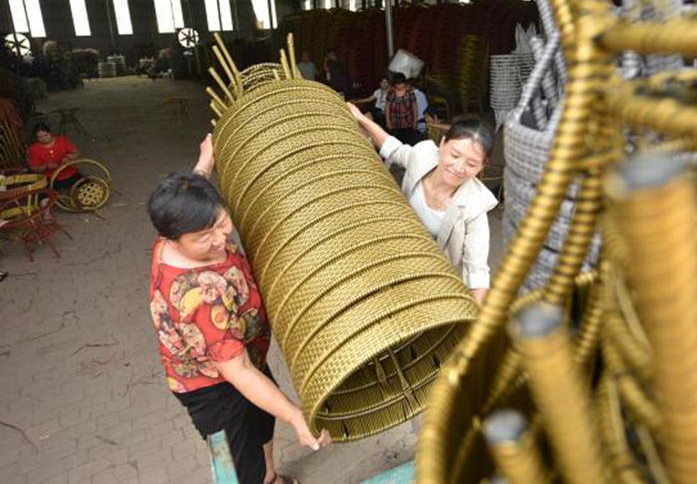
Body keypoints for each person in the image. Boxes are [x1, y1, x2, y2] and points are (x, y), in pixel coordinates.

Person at [147, 135, 330, 484]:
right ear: (173, 237)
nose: (220, 239)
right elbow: (240, 372)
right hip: (214, 384)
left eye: (221, 223)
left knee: (261, 420)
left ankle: (270, 477)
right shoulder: (201, 297)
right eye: (204, 236)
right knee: (242, 460)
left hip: (245, 353)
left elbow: (193, 192)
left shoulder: (181, 222)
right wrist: (295, 415)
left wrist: (206, 160)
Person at [347, 105, 497, 304]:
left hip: (433, 280)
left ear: (482, 166)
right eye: (454, 155)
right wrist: (361, 119)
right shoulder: (423, 156)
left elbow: (477, 271)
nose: (459, 168)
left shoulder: (475, 207)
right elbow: (394, 148)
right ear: (442, 143)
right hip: (395, 255)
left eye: (471, 164)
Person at [27, 123, 81, 189]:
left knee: (85, 185)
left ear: (50, 133)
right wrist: (46, 167)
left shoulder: (61, 140)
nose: (44, 138)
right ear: (36, 138)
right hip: (51, 177)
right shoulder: (34, 149)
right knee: (51, 192)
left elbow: (76, 152)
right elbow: (34, 169)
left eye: (46, 135)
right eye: (40, 137)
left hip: (70, 173)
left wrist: (68, 157)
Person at [385, 73, 421, 145]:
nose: (400, 86)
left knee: (408, 143)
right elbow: (387, 108)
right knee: (396, 143)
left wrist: (415, 121)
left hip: (408, 123)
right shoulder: (391, 93)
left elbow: (415, 108)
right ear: (395, 84)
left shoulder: (410, 93)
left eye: (402, 83)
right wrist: (388, 122)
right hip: (395, 123)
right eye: (398, 84)